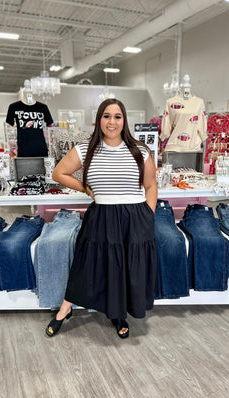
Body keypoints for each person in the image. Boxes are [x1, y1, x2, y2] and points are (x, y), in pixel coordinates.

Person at [46, 98, 157, 339]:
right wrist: (85, 188)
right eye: (106, 116)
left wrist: (148, 215)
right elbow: (59, 173)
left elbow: (150, 185)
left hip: (135, 217)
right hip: (102, 216)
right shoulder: (85, 149)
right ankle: (65, 308)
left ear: (124, 120)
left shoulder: (140, 150)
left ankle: (119, 314)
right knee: (87, 266)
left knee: (125, 269)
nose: (112, 121)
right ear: (99, 119)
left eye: (117, 116)